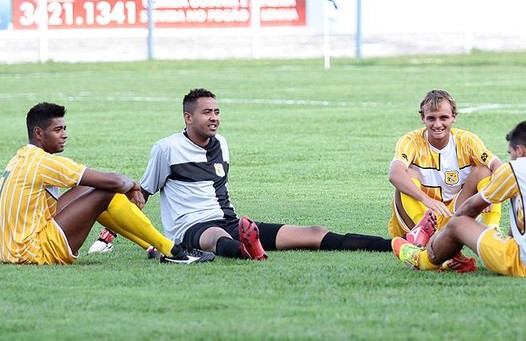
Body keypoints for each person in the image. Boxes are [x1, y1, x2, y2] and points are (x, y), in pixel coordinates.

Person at [90, 88, 392, 259]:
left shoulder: (221, 143)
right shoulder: (166, 149)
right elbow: (141, 195)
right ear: (188, 116)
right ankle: (249, 250)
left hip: (233, 222)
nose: (214, 118)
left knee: (313, 233)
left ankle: (393, 245)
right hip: (192, 228)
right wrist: (108, 234)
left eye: (217, 112)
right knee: (215, 238)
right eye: (207, 112)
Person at [0, 102, 215, 265]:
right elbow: (113, 182)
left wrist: (124, 185)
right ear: (39, 133)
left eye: (64, 128)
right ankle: (173, 251)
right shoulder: (43, 162)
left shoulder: (22, 156)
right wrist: (133, 185)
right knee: (105, 191)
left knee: (88, 189)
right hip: (32, 252)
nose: (65, 135)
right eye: (58, 130)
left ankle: (151, 247)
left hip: (13, 249)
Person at [392, 120, 526, 276]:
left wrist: (442, 235)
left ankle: (423, 258)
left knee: (458, 224)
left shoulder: (516, 168)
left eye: (511, 153)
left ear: (520, 150)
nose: (510, 158)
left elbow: (470, 209)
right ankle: (456, 250)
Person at [387, 89, 503, 272]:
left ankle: (494, 231)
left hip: (454, 215)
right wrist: (427, 201)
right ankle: (423, 233)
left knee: (483, 171)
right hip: (416, 217)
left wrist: (490, 193)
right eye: (431, 118)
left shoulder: (467, 141)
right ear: (422, 118)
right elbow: (394, 173)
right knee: (406, 173)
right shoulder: (410, 141)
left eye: (444, 118)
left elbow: (498, 165)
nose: (438, 124)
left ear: (453, 117)